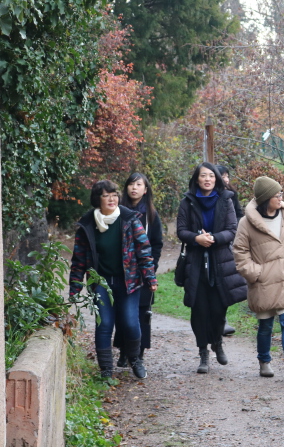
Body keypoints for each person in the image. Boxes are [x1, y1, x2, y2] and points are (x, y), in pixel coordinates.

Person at [70, 180, 158, 379]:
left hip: (129, 281)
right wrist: (75, 287)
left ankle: (135, 359)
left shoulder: (129, 219)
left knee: (129, 322)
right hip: (100, 282)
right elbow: (79, 259)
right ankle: (106, 371)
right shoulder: (87, 224)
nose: (112, 199)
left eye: (114, 195)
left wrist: (150, 277)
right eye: (106, 195)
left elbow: (144, 250)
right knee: (105, 324)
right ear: (97, 199)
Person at [232, 176, 284, 379]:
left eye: (281, 193)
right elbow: (240, 252)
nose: (281, 198)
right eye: (277, 195)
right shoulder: (246, 223)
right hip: (264, 283)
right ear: (266, 199)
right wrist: (256, 273)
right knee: (265, 325)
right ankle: (264, 361)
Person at [176, 162, 248, 373]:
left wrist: (214, 239)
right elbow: (181, 230)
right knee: (199, 309)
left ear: (216, 179)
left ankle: (217, 342)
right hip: (195, 262)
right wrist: (197, 239)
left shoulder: (226, 199)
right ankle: (203, 353)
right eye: (203, 176)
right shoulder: (187, 202)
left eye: (211, 176)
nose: (207, 179)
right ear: (196, 179)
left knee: (218, 308)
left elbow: (232, 230)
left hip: (220, 262)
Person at [114, 173, 164, 367]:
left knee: (142, 312)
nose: (134, 188)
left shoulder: (151, 215)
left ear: (145, 189)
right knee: (122, 312)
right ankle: (123, 350)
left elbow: (157, 244)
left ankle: (138, 352)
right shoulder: (117, 211)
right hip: (122, 272)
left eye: (139, 184)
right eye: (131, 184)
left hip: (143, 272)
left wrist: (152, 267)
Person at [216, 164, 243, 336]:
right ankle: (212, 320)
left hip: (229, 243)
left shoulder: (232, 195)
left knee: (227, 281)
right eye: (223, 176)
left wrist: (234, 230)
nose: (226, 179)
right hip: (210, 243)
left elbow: (239, 215)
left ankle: (222, 320)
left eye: (227, 175)